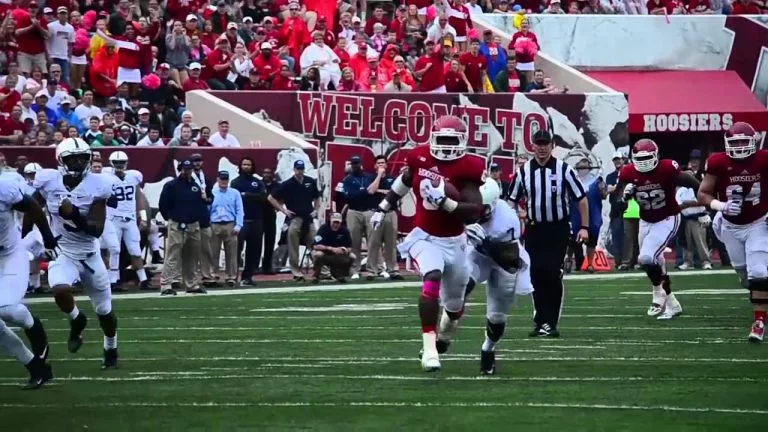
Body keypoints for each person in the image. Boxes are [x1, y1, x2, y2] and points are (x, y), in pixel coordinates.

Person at [371, 115, 485, 372]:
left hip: (455, 242)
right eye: (441, 140)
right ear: (433, 138)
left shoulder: (469, 166)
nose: (445, 146)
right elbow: (405, 180)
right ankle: (430, 350)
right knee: (431, 277)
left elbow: (474, 209)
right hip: (425, 236)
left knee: (455, 306)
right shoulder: (418, 156)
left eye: (451, 140)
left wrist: (446, 202)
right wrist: (384, 206)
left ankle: (445, 329)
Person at [32, 138, 120, 369]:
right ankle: (76, 319)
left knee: (104, 312)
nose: (79, 163)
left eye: (83, 158)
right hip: (63, 252)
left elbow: (96, 230)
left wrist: (73, 215)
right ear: (61, 160)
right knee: (60, 289)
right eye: (73, 158)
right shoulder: (49, 180)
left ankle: (111, 347)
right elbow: (33, 208)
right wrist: (37, 237)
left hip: (89, 255)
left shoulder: (99, 184)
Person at [507, 130, 589, 338]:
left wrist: (584, 227)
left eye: (546, 144)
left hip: (558, 228)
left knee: (552, 272)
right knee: (534, 274)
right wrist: (510, 227)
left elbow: (581, 198)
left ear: (552, 145)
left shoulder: (564, 170)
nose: (542, 148)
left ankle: (550, 322)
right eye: (538, 144)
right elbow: (511, 200)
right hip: (535, 228)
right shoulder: (523, 171)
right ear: (532, 145)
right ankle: (541, 319)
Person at [697, 122, 768, 343]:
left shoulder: (763, 159)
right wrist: (721, 206)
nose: (738, 147)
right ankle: (761, 301)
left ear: (753, 142)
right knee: (747, 278)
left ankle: (758, 322)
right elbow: (703, 193)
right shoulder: (718, 162)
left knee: (759, 273)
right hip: (730, 224)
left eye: (742, 142)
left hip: (758, 222)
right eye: (734, 142)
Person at [454, 179, 533, 374]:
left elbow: (511, 261)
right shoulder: (463, 203)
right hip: (477, 254)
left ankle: (488, 348)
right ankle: (439, 337)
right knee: (461, 283)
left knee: (497, 317)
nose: (477, 213)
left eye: (482, 208)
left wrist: (487, 243)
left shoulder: (507, 221)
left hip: (501, 259)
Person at [617, 138, 701, 320]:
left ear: (656, 156)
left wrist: (706, 195)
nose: (645, 163)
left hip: (667, 218)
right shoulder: (627, 172)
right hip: (645, 221)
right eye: (640, 159)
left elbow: (690, 180)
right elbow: (618, 202)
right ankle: (672, 304)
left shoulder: (667, 168)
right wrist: (625, 195)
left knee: (646, 257)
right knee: (656, 262)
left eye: (648, 158)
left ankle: (658, 293)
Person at [0, 176, 56, 389]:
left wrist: (48, 237)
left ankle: (36, 331)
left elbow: (33, 206)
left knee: (7, 308)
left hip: (10, 255)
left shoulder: (4, 187)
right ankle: (37, 368)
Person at [158, 159, 209, 296]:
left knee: (192, 256)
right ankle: (166, 284)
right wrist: (171, 218)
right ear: (180, 169)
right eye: (185, 169)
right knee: (172, 255)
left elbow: (201, 204)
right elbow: (163, 204)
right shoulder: (171, 185)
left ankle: (191, 284)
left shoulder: (195, 186)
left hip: (193, 224)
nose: (187, 172)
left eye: (190, 169)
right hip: (177, 224)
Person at [105, 152, 154, 291]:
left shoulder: (133, 177)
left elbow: (139, 198)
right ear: (111, 163)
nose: (119, 165)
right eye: (116, 162)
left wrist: (143, 217)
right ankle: (113, 281)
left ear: (126, 163)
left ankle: (143, 280)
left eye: (122, 162)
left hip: (130, 219)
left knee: (135, 250)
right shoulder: (106, 178)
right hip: (113, 219)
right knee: (114, 250)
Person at [267, 160, 320, 281]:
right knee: (293, 247)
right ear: (294, 169)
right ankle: (296, 272)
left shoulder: (310, 181)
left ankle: (320, 270)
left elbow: (317, 197)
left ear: (303, 169)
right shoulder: (287, 184)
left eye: (301, 169)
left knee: (316, 243)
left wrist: (316, 210)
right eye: (297, 169)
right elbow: (270, 198)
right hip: (295, 218)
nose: (299, 171)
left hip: (308, 218)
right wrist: (284, 210)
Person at [231, 158, 266, 286]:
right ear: (240, 166)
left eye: (249, 165)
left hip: (256, 220)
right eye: (244, 164)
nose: (246, 167)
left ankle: (248, 277)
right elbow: (234, 199)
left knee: (254, 250)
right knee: (236, 250)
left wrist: (246, 195)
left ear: (252, 166)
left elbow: (263, 197)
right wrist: (251, 196)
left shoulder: (257, 182)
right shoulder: (235, 182)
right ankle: (232, 276)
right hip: (241, 222)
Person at [366, 155, 402, 280]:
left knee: (390, 243)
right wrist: (378, 176)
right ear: (375, 166)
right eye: (379, 163)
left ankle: (393, 270)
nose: (381, 165)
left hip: (390, 212)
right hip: (375, 212)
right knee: (374, 243)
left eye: (383, 163)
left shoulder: (392, 179)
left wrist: (381, 192)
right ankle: (372, 270)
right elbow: (371, 191)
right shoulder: (369, 177)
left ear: (386, 165)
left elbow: (396, 193)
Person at [341, 155, 375, 279]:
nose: (355, 165)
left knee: (372, 241)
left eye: (357, 163)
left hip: (368, 211)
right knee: (354, 242)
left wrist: (363, 192)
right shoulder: (348, 179)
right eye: (353, 163)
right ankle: (355, 269)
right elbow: (349, 196)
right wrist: (364, 191)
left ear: (361, 164)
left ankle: (372, 269)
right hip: (354, 211)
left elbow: (373, 192)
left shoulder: (369, 177)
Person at [209, 171, 244, 287]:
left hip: (230, 224)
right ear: (217, 179)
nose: (223, 181)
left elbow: (239, 210)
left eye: (225, 179)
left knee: (232, 253)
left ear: (228, 180)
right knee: (213, 252)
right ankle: (213, 275)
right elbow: (208, 210)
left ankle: (231, 277)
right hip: (215, 224)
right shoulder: (212, 193)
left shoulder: (234, 193)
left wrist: (238, 225)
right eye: (221, 179)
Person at [190, 154, 216, 287]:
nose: (197, 164)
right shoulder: (187, 179)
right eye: (194, 161)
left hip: (204, 217)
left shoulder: (206, 178)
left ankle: (207, 276)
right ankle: (190, 276)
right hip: (190, 217)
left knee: (206, 248)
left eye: (199, 161)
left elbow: (212, 197)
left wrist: (207, 199)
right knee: (189, 249)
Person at [311, 212, 354, 283]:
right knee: (318, 254)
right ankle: (316, 275)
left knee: (352, 256)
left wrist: (344, 250)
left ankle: (341, 275)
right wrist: (331, 248)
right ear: (330, 221)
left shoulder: (345, 231)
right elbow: (316, 246)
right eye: (334, 222)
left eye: (338, 222)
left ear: (341, 223)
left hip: (338, 255)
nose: (335, 224)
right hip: (325, 254)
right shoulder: (323, 229)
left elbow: (349, 247)